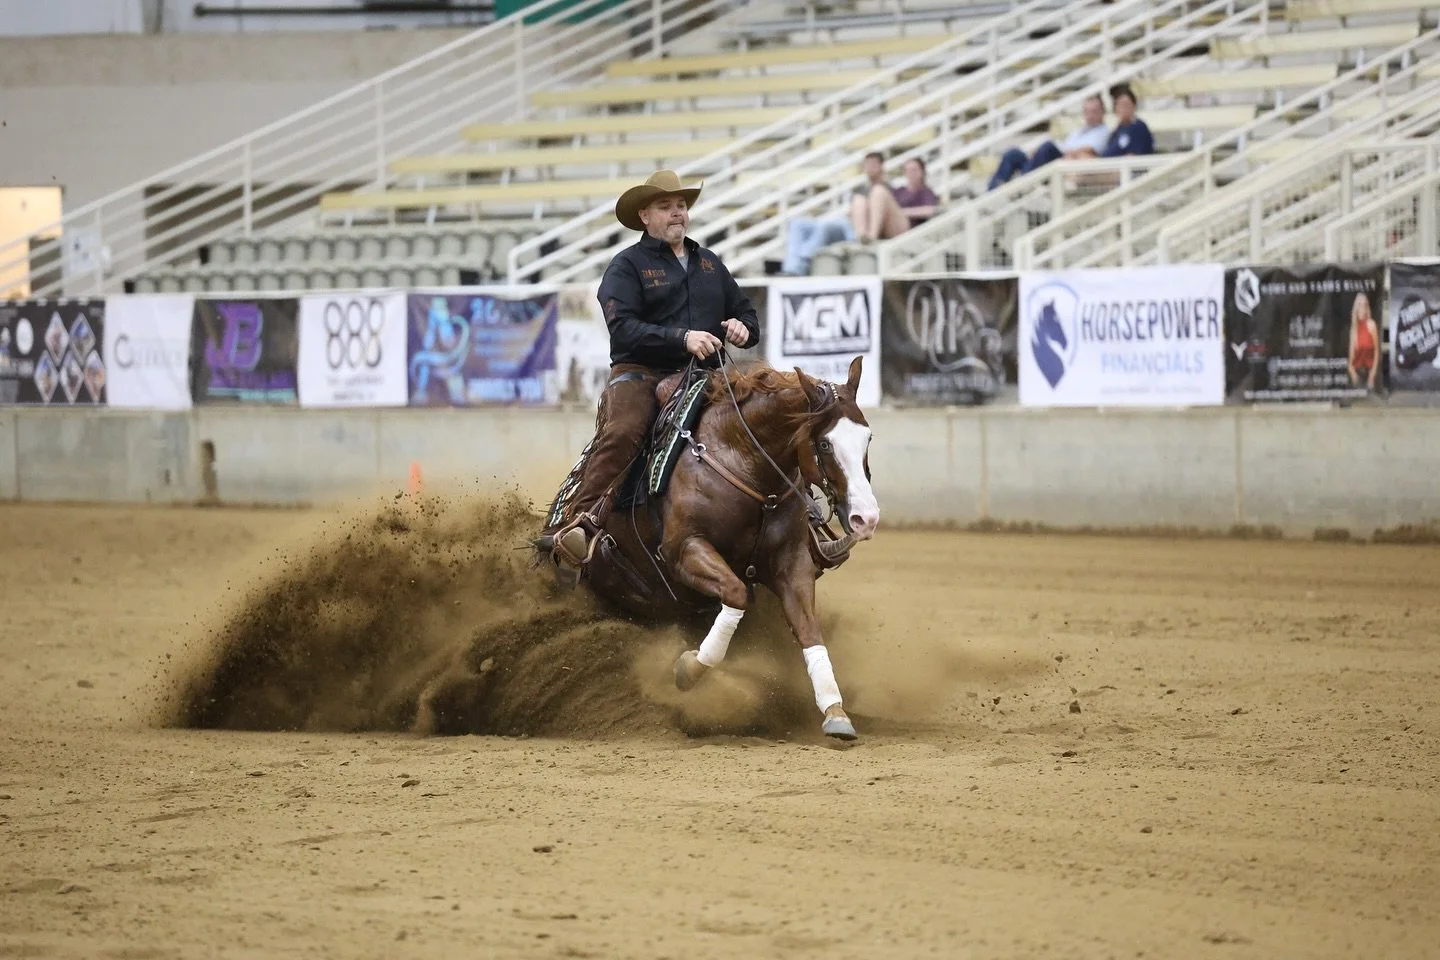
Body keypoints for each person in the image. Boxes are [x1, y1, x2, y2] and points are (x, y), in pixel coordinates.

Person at [540, 169, 760, 570]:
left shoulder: (709, 264)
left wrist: (744, 328)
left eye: (681, 206)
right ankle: (579, 526)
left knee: (758, 420)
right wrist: (682, 338)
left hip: (703, 379)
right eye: (666, 206)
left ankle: (791, 522)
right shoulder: (626, 266)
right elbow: (623, 326)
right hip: (640, 375)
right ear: (644, 216)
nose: (677, 213)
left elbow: (745, 312)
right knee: (625, 431)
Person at [780, 153, 939, 274]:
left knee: (876, 192)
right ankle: (862, 237)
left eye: (914, 169)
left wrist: (903, 212)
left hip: (905, 228)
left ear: (923, 172)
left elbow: (930, 210)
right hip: (874, 224)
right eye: (907, 169)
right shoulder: (898, 191)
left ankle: (870, 236)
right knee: (857, 200)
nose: (910, 173)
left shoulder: (924, 192)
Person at [988, 93, 1110, 191]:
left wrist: (1069, 152)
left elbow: (1090, 149)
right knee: (1013, 154)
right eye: (1087, 111)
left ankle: (1025, 183)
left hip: (1064, 165)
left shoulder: (1103, 131)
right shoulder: (1079, 131)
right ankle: (993, 191)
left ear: (1102, 112)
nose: (1090, 115)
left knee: (1048, 147)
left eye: (1094, 111)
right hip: (1055, 159)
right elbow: (1065, 146)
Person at [1101, 84, 1154, 158]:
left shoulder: (1139, 127)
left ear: (1134, 106)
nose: (1123, 109)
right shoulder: (1117, 131)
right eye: (1120, 105)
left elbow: (1134, 155)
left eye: (1126, 105)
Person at [1348, 291, 1379, 391]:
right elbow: (1351, 361)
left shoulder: (1371, 325)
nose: (1362, 309)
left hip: (1370, 372)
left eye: (1365, 305)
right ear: (1356, 308)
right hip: (1358, 372)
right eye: (1360, 305)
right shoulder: (1353, 331)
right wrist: (1353, 375)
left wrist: (1372, 374)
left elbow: (1377, 352)